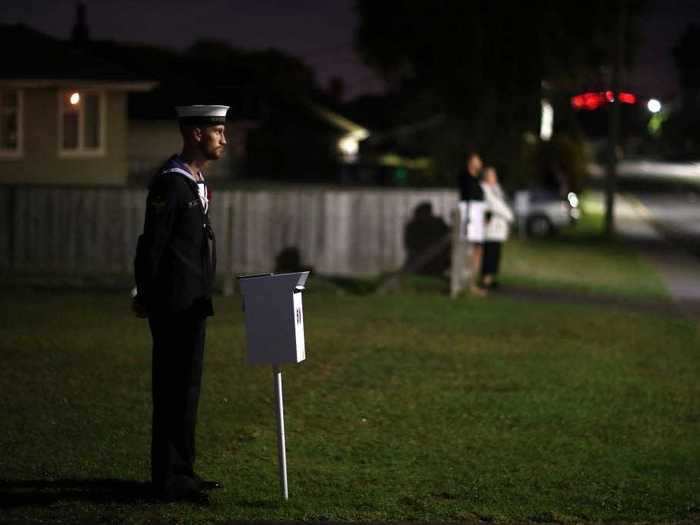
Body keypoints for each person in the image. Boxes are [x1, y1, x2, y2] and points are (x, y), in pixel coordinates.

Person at [132, 104, 227, 502]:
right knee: (173, 391)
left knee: (187, 391)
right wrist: (147, 296)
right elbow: (151, 246)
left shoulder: (194, 180)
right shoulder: (171, 183)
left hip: (192, 303)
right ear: (195, 133)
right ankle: (170, 480)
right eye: (218, 131)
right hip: (173, 306)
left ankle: (183, 471)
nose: (224, 139)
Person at [457, 152, 487, 296]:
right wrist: (469, 218)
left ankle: (471, 282)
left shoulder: (477, 179)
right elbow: (467, 199)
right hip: (470, 216)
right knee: (469, 249)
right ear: (470, 162)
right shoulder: (465, 178)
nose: (480, 163)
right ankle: (466, 283)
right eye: (477, 160)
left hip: (477, 216)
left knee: (478, 250)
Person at [480, 166, 514, 289]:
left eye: (494, 175)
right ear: (486, 177)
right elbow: (495, 206)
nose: (494, 177)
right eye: (491, 175)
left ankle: (490, 278)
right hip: (491, 228)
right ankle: (485, 280)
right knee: (489, 254)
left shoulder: (496, 189)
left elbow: (504, 202)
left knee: (495, 254)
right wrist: (510, 216)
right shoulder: (484, 189)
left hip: (499, 228)